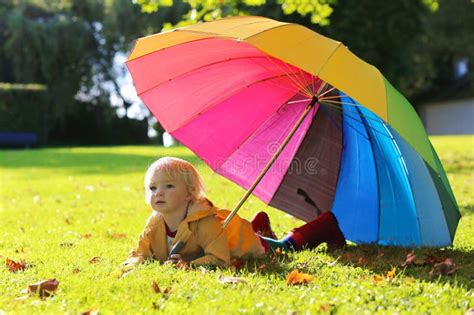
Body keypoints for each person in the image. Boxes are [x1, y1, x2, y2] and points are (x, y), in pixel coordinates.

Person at [122, 157, 345, 267]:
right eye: (152, 188)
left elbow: (220, 257)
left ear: (189, 193)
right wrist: (136, 261)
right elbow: (141, 249)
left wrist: (190, 265)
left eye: (168, 186)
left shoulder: (204, 221)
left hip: (240, 244)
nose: (158, 193)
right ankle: (258, 226)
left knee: (281, 248)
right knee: (247, 233)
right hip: (230, 233)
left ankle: (324, 225)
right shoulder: (155, 221)